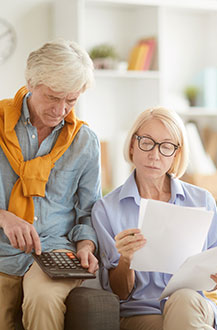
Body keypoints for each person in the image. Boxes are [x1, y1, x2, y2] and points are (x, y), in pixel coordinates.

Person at [92, 107, 217, 330]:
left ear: (176, 154)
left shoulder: (201, 200)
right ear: (132, 145)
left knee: (182, 300)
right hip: (141, 314)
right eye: (147, 142)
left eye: (166, 146)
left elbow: (211, 281)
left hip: (193, 305)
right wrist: (126, 259)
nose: (155, 154)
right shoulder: (106, 209)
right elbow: (119, 292)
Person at [0, 39, 101, 330]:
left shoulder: (84, 142)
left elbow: (88, 210)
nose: (61, 110)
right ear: (31, 81)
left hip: (54, 252)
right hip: (3, 251)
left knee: (43, 300)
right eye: (53, 97)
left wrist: (85, 245)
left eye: (71, 100)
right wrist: (5, 217)